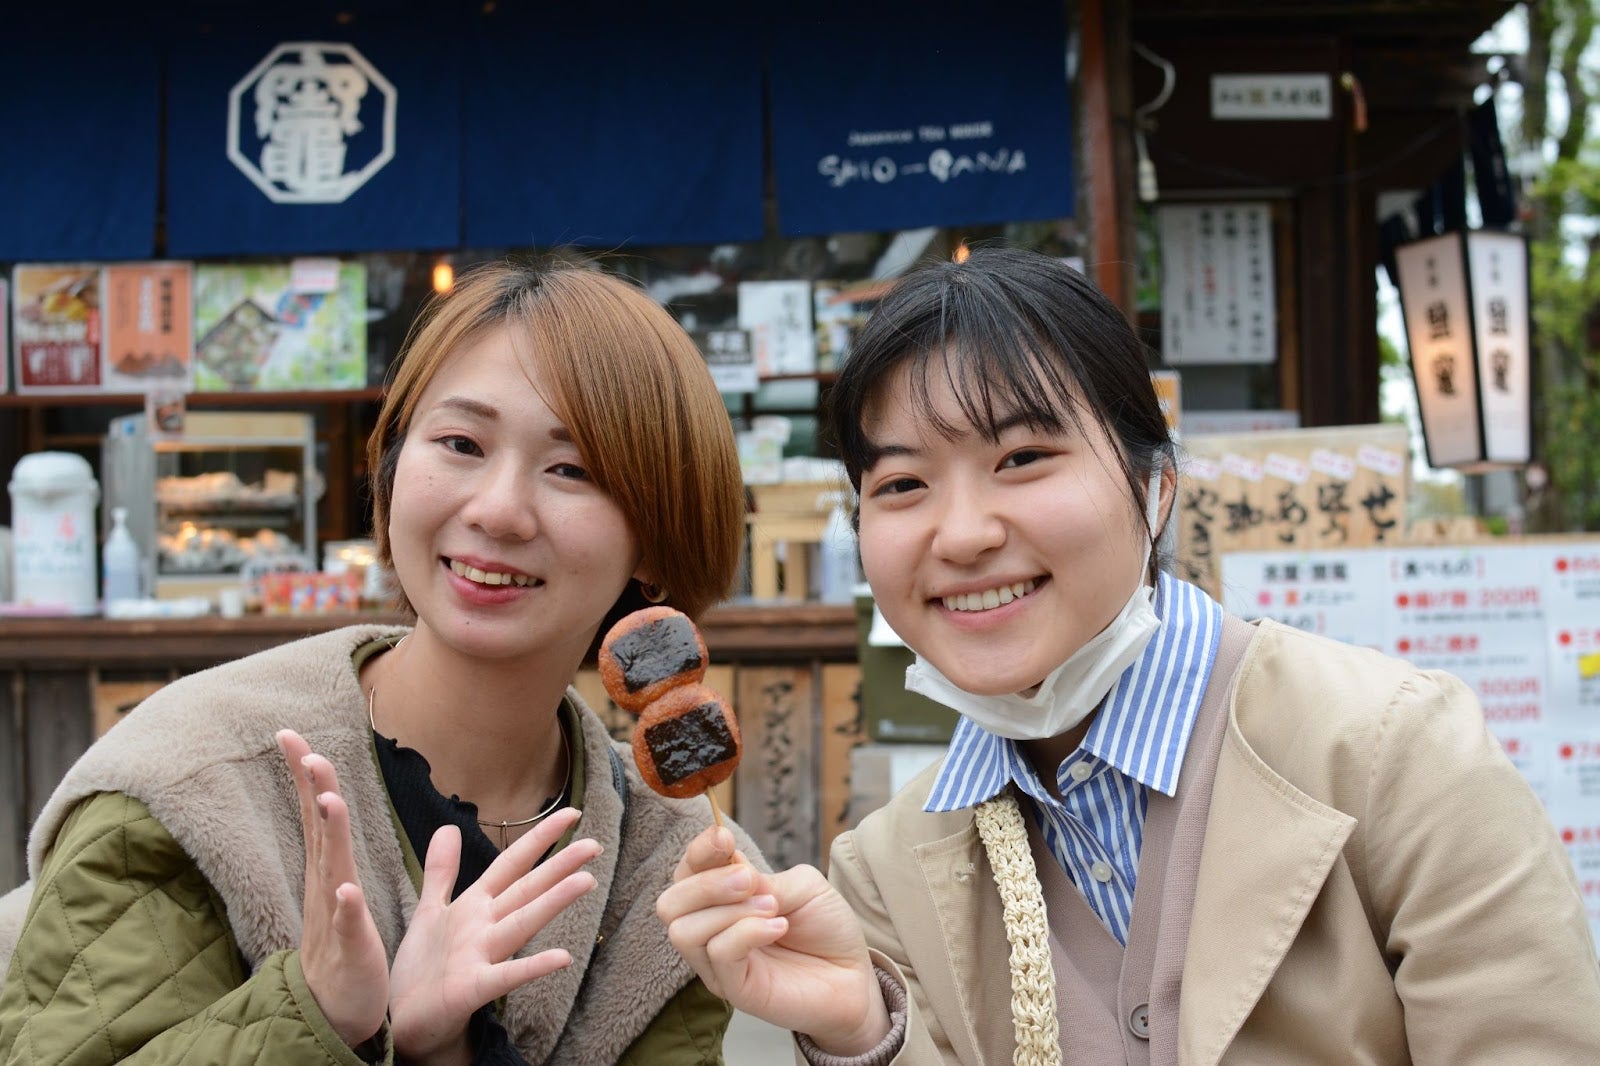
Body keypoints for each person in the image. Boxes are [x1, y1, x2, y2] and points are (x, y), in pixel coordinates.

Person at [658, 246, 1600, 1064]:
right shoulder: (884, 870)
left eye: (1022, 459)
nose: (964, 534)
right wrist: (864, 1031)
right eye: (902, 483)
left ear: (1156, 486)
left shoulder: (1394, 753)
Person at [0, 260, 758, 1065]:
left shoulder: (675, 867)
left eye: (571, 469)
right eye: (461, 443)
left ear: (656, 539)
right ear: (392, 471)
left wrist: (841, 1035)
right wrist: (321, 1020)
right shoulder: (196, 784)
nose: (498, 510)